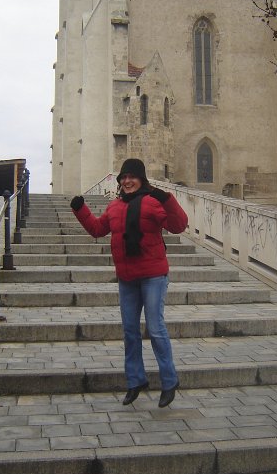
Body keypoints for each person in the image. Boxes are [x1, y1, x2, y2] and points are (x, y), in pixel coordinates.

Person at [70, 158, 188, 408]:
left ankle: (169, 381)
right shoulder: (114, 206)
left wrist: (167, 199)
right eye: (123, 177)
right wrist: (81, 210)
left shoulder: (152, 202)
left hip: (153, 276)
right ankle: (135, 380)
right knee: (130, 331)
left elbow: (178, 225)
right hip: (127, 278)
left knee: (155, 328)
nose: (127, 181)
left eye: (132, 176)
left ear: (141, 179)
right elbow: (97, 229)